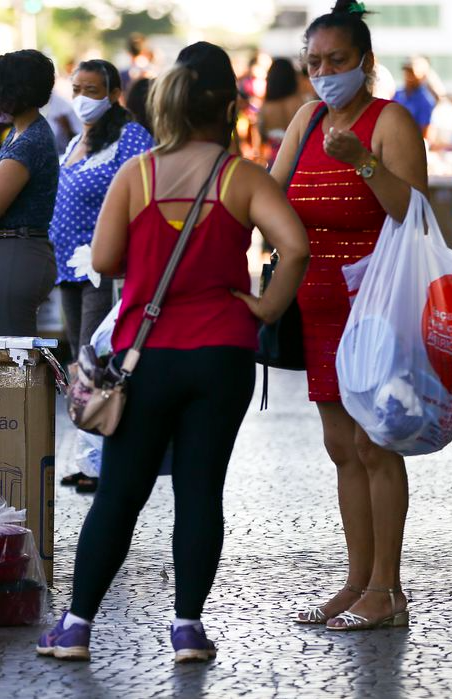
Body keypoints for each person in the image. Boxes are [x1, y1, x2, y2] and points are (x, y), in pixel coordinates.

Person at [37, 41, 309, 663]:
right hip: (223, 355)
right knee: (200, 490)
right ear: (229, 106)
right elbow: (293, 246)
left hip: (146, 355)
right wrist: (264, 309)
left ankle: (76, 628)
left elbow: (103, 261)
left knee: (120, 492)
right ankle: (188, 629)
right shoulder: (242, 177)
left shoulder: (140, 174)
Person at [272, 0, 428, 631]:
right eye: (314, 62)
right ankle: (356, 582)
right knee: (341, 446)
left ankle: (388, 592)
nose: (324, 72)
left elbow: (413, 213)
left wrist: (361, 163)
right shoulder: (307, 119)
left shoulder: (389, 121)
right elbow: (270, 192)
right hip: (318, 307)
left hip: (376, 307)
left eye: (337, 60)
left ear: (365, 62)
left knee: (374, 444)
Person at [50, 59, 153, 494]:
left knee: (98, 358)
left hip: (104, 266)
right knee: (80, 359)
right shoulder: (79, 138)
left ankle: (102, 458)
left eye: (92, 90)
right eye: (76, 89)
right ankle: (86, 454)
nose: (82, 99)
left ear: (113, 93)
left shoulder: (131, 136)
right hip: (68, 267)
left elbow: (145, 193)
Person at [0, 49, 59, 337]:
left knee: (9, 370)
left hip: (13, 255)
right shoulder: (20, 134)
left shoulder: (28, 142)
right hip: (3, 256)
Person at [259, 58, 303, 167]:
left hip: (275, 162)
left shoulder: (266, 108)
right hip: (300, 159)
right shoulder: (302, 103)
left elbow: (262, 134)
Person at [393, 56, 436, 138]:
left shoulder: (426, 100)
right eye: (406, 71)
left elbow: (425, 134)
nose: (408, 76)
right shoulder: (397, 94)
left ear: (422, 76)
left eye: (412, 72)